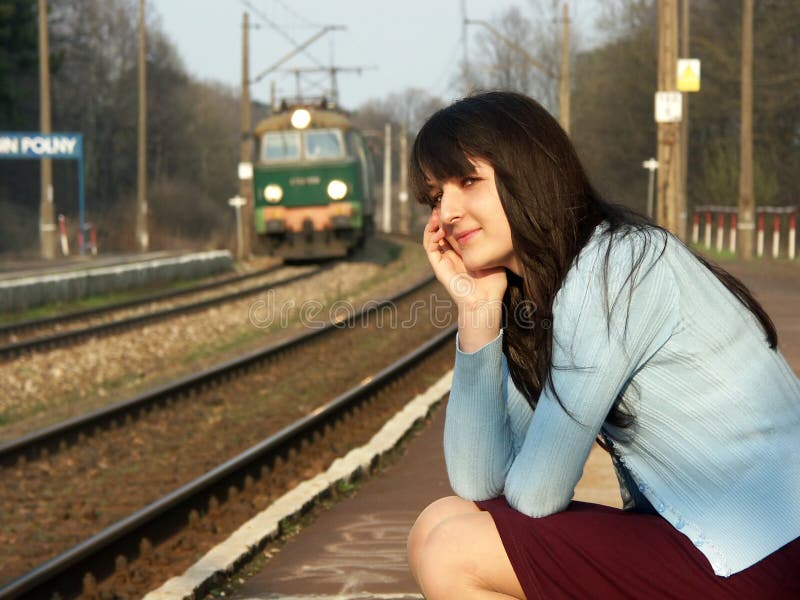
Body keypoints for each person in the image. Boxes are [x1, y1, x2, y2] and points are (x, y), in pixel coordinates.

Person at [405, 91, 800, 600]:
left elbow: (537, 494)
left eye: (468, 182)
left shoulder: (617, 269)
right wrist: (478, 314)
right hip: (719, 541)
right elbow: (477, 481)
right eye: (437, 196)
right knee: (439, 523)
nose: (448, 212)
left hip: (767, 549)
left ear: (528, 172)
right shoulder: (552, 293)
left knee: (452, 551)